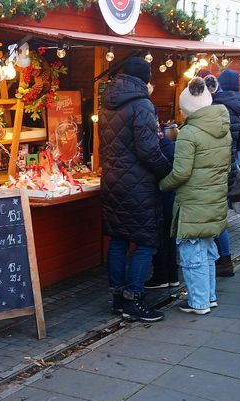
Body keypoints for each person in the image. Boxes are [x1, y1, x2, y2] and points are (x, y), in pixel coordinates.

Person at [99, 56, 172, 322]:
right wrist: (167, 171)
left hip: (112, 181)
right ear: (145, 79)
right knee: (146, 242)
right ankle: (134, 299)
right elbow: (148, 150)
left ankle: (118, 299)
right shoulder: (142, 105)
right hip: (139, 185)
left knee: (118, 240)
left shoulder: (106, 103)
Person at [160, 77, 231, 315]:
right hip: (215, 197)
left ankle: (198, 301)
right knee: (208, 250)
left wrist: (162, 185)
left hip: (193, 201)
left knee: (192, 253)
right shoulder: (223, 128)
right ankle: (208, 297)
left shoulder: (189, 133)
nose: (180, 112)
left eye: (182, 108)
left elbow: (180, 173)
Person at [207, 70, 240, 277]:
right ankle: (224, 259)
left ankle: (223, 260)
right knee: (220, 214)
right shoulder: (238, 106)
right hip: (229, 165)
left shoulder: (216, 108)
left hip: (214, 167)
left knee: (214, 215)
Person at [144, 121, 179, 289]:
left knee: (159, 238)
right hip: (172, 197)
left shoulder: (154, 150)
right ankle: (173, 276)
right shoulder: (171, 146)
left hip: (160, 197)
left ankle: (161, 276)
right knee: (169, 238)